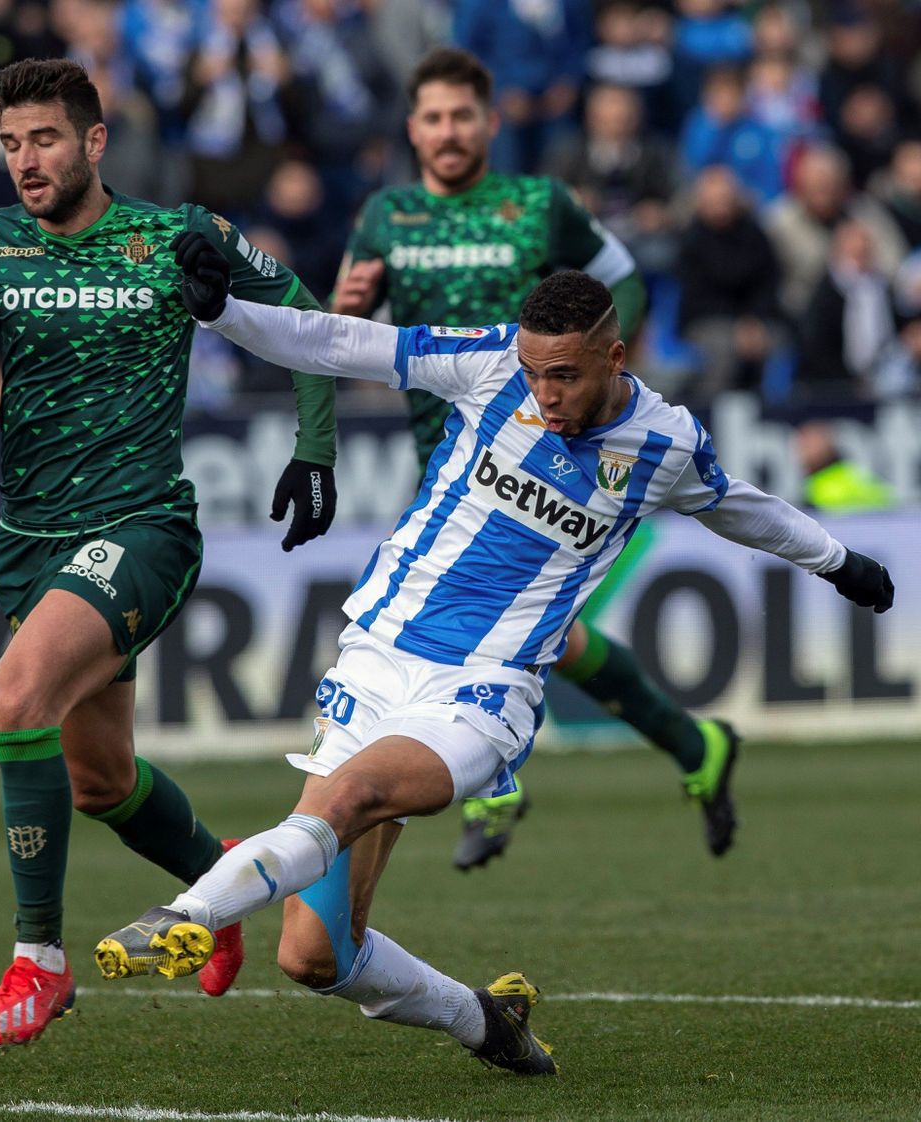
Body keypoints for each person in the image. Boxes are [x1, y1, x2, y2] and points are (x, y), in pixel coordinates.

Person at [96, 234, 895, 1075]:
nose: (545, 394)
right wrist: (223, 312)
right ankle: (484, 1021)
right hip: (375, 662)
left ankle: (186, 915)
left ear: (614, 356)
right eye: (535, 372)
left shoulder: (665, 443)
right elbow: (337, 341)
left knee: (355, 793)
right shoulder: (488, 365)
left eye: (566, 376)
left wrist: (838, 562)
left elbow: (742, 507)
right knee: (316, 955)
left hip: (482, 691)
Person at [0, 58, 340, 1048]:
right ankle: (213, 882)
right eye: (9, 144)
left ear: (94, 141)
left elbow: (302, 317)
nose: (25, 162)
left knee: (12, 700)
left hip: (141, 529)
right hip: (29, 543)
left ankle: (36, 965)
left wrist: (314, 447)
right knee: (97, 781)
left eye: (44, 139)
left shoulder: (173, 234)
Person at [330, 46, 740, 870]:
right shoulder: (386, 217)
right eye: (434, 118)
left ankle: (493, 779)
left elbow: (622, 277)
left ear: (492, 121)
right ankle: (692, 745)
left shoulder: (537, 204)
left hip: (549, 448)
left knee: (524, 625)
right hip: (441, 457)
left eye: (463, 115)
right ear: (413, 129)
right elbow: (339, 330)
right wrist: (345, 309)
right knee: (553, 633)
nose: (449, 131)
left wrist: (610, 383)